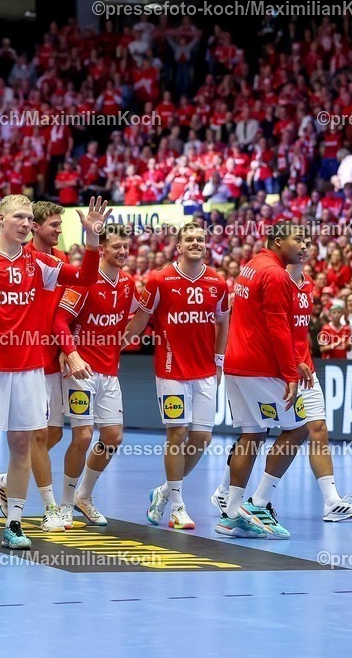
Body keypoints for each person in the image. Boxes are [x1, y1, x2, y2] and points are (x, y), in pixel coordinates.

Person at [0, 188, 106, 550]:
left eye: (30, 219)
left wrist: (92, 241)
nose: (27, 224)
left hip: (29, 369)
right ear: (1, 219)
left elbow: (85, 279)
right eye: (20, 217)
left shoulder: (40, 264)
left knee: (21, 443)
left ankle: (14, 522)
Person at [214, 261, 352, 523]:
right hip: (276, 367)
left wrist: (301, 360)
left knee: (316, 428)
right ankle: (227, 491)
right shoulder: (272, 281)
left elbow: (297, 330)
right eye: (297, 240)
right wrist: (290, 365)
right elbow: (271, 330)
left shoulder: (307, 284)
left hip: (303, 366)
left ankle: (331, 502)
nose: (303, 246)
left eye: (305, 241)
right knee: (258, 433)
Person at [122, 223, 229, 529]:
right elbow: (140, 320)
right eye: (189, 240)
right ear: (178, 247)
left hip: (206, 371)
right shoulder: (160, 280)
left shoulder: (217, 282)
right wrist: (112, 344)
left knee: (202, 438)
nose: (196, 243)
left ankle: (164, 490)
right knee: (177, 433)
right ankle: (178, 507)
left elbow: (223, 322)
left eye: (201, 239)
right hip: (170, 370)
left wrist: (219, 361)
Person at [216, 222, 310, 539]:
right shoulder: (276, 274)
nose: (304, 244)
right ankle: (259, 503)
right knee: (298, 429)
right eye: (298, 239)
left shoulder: (251, 266)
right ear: (278, 241)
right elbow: (278, 329)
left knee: (252, 434)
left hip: (236, 365)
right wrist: (289, 373)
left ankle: (231, 511)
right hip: (260, 367)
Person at [0, 201, 75, 533]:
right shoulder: (24, 261)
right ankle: (50, 506)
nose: (59, 230)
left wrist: (67, 348)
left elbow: (64, 313)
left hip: (51, 357)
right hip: (22, 359)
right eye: (53, 224)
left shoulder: (56, 262)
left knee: (51, 433)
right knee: (31, 435)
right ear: (35, 227)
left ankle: (6, 482)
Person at [51, 223, 138, 527]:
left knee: (112, 437)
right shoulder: (84, 282)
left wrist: (119, 347)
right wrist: (70, 352)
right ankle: (64, 504)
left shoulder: (128, 284)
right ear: (101, 249)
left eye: (126, 246)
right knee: (83, 435)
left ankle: (83, 496)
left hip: (108, 372)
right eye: (116, 246)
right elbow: (60, 322)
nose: (123, 251)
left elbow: (127, 322)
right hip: (81, 370)